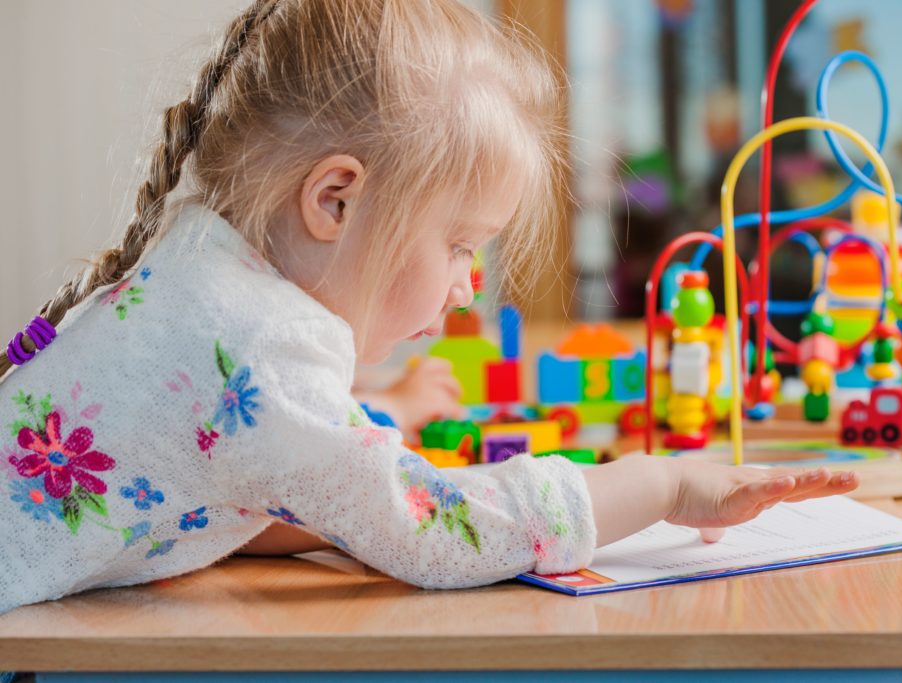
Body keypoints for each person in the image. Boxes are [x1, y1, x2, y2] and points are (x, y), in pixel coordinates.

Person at [0, 0, 858, 615]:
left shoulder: (203, 277)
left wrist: (373, 424)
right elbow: (442, 534)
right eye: (458, 244)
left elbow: (234, 487)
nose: (467, 284)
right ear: (335, 200)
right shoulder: (262, 343)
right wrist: (664, 481)